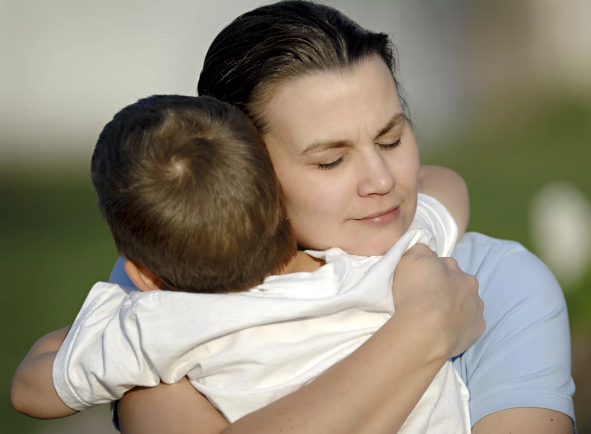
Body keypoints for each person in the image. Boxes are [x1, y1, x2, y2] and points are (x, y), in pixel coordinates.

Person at [14, 1, 576, 433]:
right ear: (246, 169)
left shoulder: (494, 280)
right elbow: (445, 189)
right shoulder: (417, 274)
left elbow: (37, 382)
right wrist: (422, 329)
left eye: (392, 137)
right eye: (330, 159)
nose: (382, 181)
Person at [11, 91, 472, 432]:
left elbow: (29, 389)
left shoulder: (159, 324)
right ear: (281, 198)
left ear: (143, 274)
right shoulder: (389, 265)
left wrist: (119, 311)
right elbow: (447, 187)